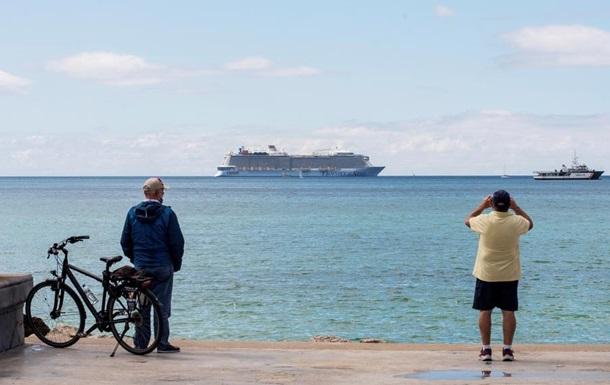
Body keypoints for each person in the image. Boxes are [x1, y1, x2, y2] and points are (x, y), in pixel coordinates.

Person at [464, 190, 533, 362]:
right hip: (509, 274)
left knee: (485, 311)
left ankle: (486, 350)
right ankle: (507, 350)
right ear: (508, 204)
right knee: (508, 311)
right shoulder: (516, 221)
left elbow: (467, 220)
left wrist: (482, 205)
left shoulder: (485, 220)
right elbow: (530, 224)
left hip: (486, 273)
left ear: (492, 204)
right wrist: (516, 207)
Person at [120, 177, 185, 353]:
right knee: (161, 307)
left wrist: (135, 259)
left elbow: (125, 241)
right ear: (157, 193)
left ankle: (141, 344)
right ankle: (162, 344)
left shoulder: (132, 212)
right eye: (163, 191)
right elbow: (177, 243)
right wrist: (175, 264)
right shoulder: (167, 214)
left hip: (141, 266)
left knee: (142, 306)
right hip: (163, 266)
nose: (163, 194)